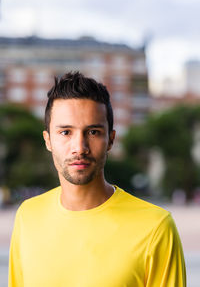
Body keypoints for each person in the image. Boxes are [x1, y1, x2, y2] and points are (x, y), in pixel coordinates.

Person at [9, 72, 186, 287]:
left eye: (93, 132)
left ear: (110, 140)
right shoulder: (28, 216)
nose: (79, 148)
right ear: (48, 140)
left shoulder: (156, 227)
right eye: (65, 132)